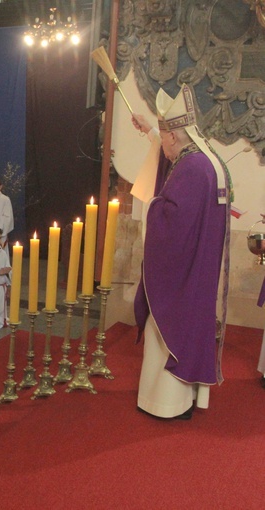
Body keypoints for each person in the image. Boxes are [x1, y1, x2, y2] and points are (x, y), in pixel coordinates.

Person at [130, 84, 229, 420]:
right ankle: (184, 400)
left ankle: (165, 404)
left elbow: (173, 223)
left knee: (167, 333)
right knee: (189, 327)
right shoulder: (205, 161)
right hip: (198, 272)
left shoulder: (189, 170)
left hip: (179, 276)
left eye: (163, 136)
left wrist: (152, 208)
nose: (163, 145)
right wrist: (150, 131)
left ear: (174, 135)